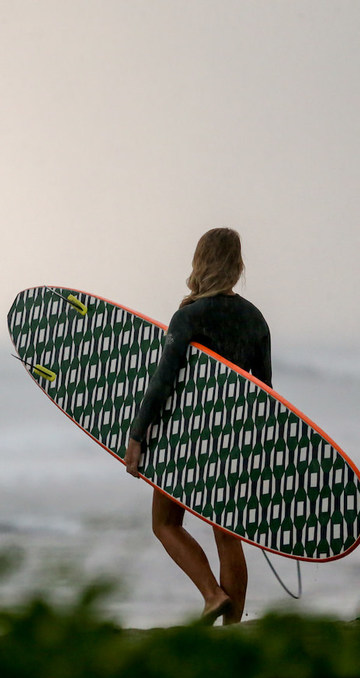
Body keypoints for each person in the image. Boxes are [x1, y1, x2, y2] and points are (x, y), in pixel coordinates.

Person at [123, 227, 271, 625]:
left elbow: (162, 383)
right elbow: (266, 396)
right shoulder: (255, 319)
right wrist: (259, 451)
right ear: (237, 266)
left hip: (184, 441)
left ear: (200, 262)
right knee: (228, 534)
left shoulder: (188, 316)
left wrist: (137, 438)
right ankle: (233, 629)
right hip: (233, 440)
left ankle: (210, 593)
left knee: (165, 523)